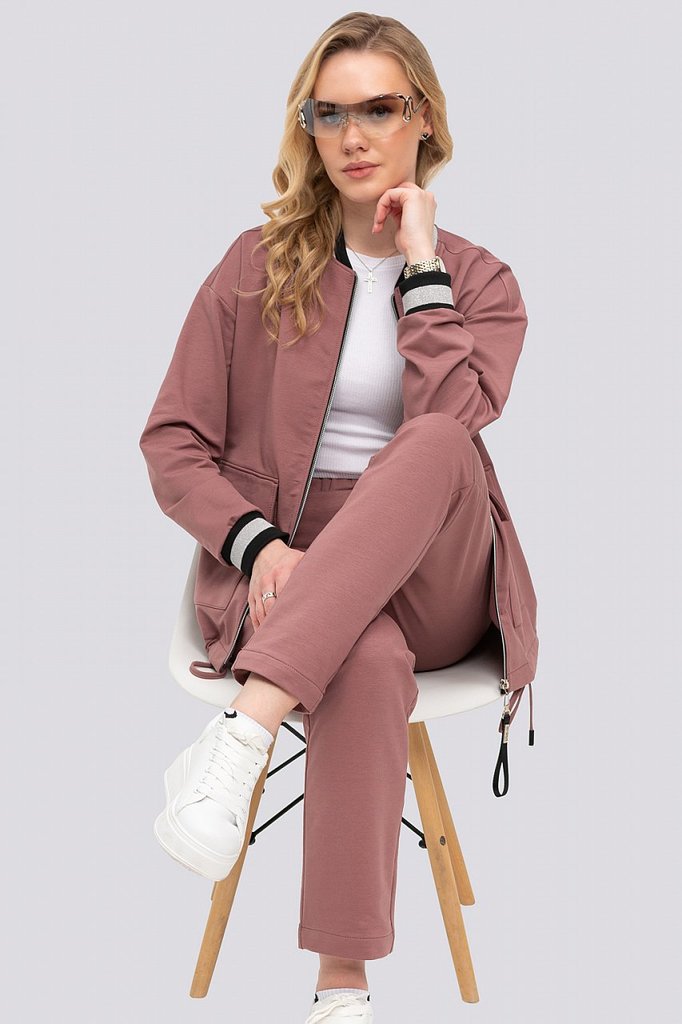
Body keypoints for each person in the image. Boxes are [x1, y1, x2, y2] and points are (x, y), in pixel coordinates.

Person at [139, 12, 538, 1022]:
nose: (353, 135)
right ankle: (341, 990)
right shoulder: (253, 265)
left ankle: (243, 732)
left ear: (423, 120)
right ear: (307, 129)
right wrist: (259, 544)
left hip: (436, 564)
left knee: (437, 440)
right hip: (289, 559)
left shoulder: (482, 282)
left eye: (379, 109)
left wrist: (420, 264)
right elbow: (173, 442)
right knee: (358, 655)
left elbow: (457, 420)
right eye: (329, 114)